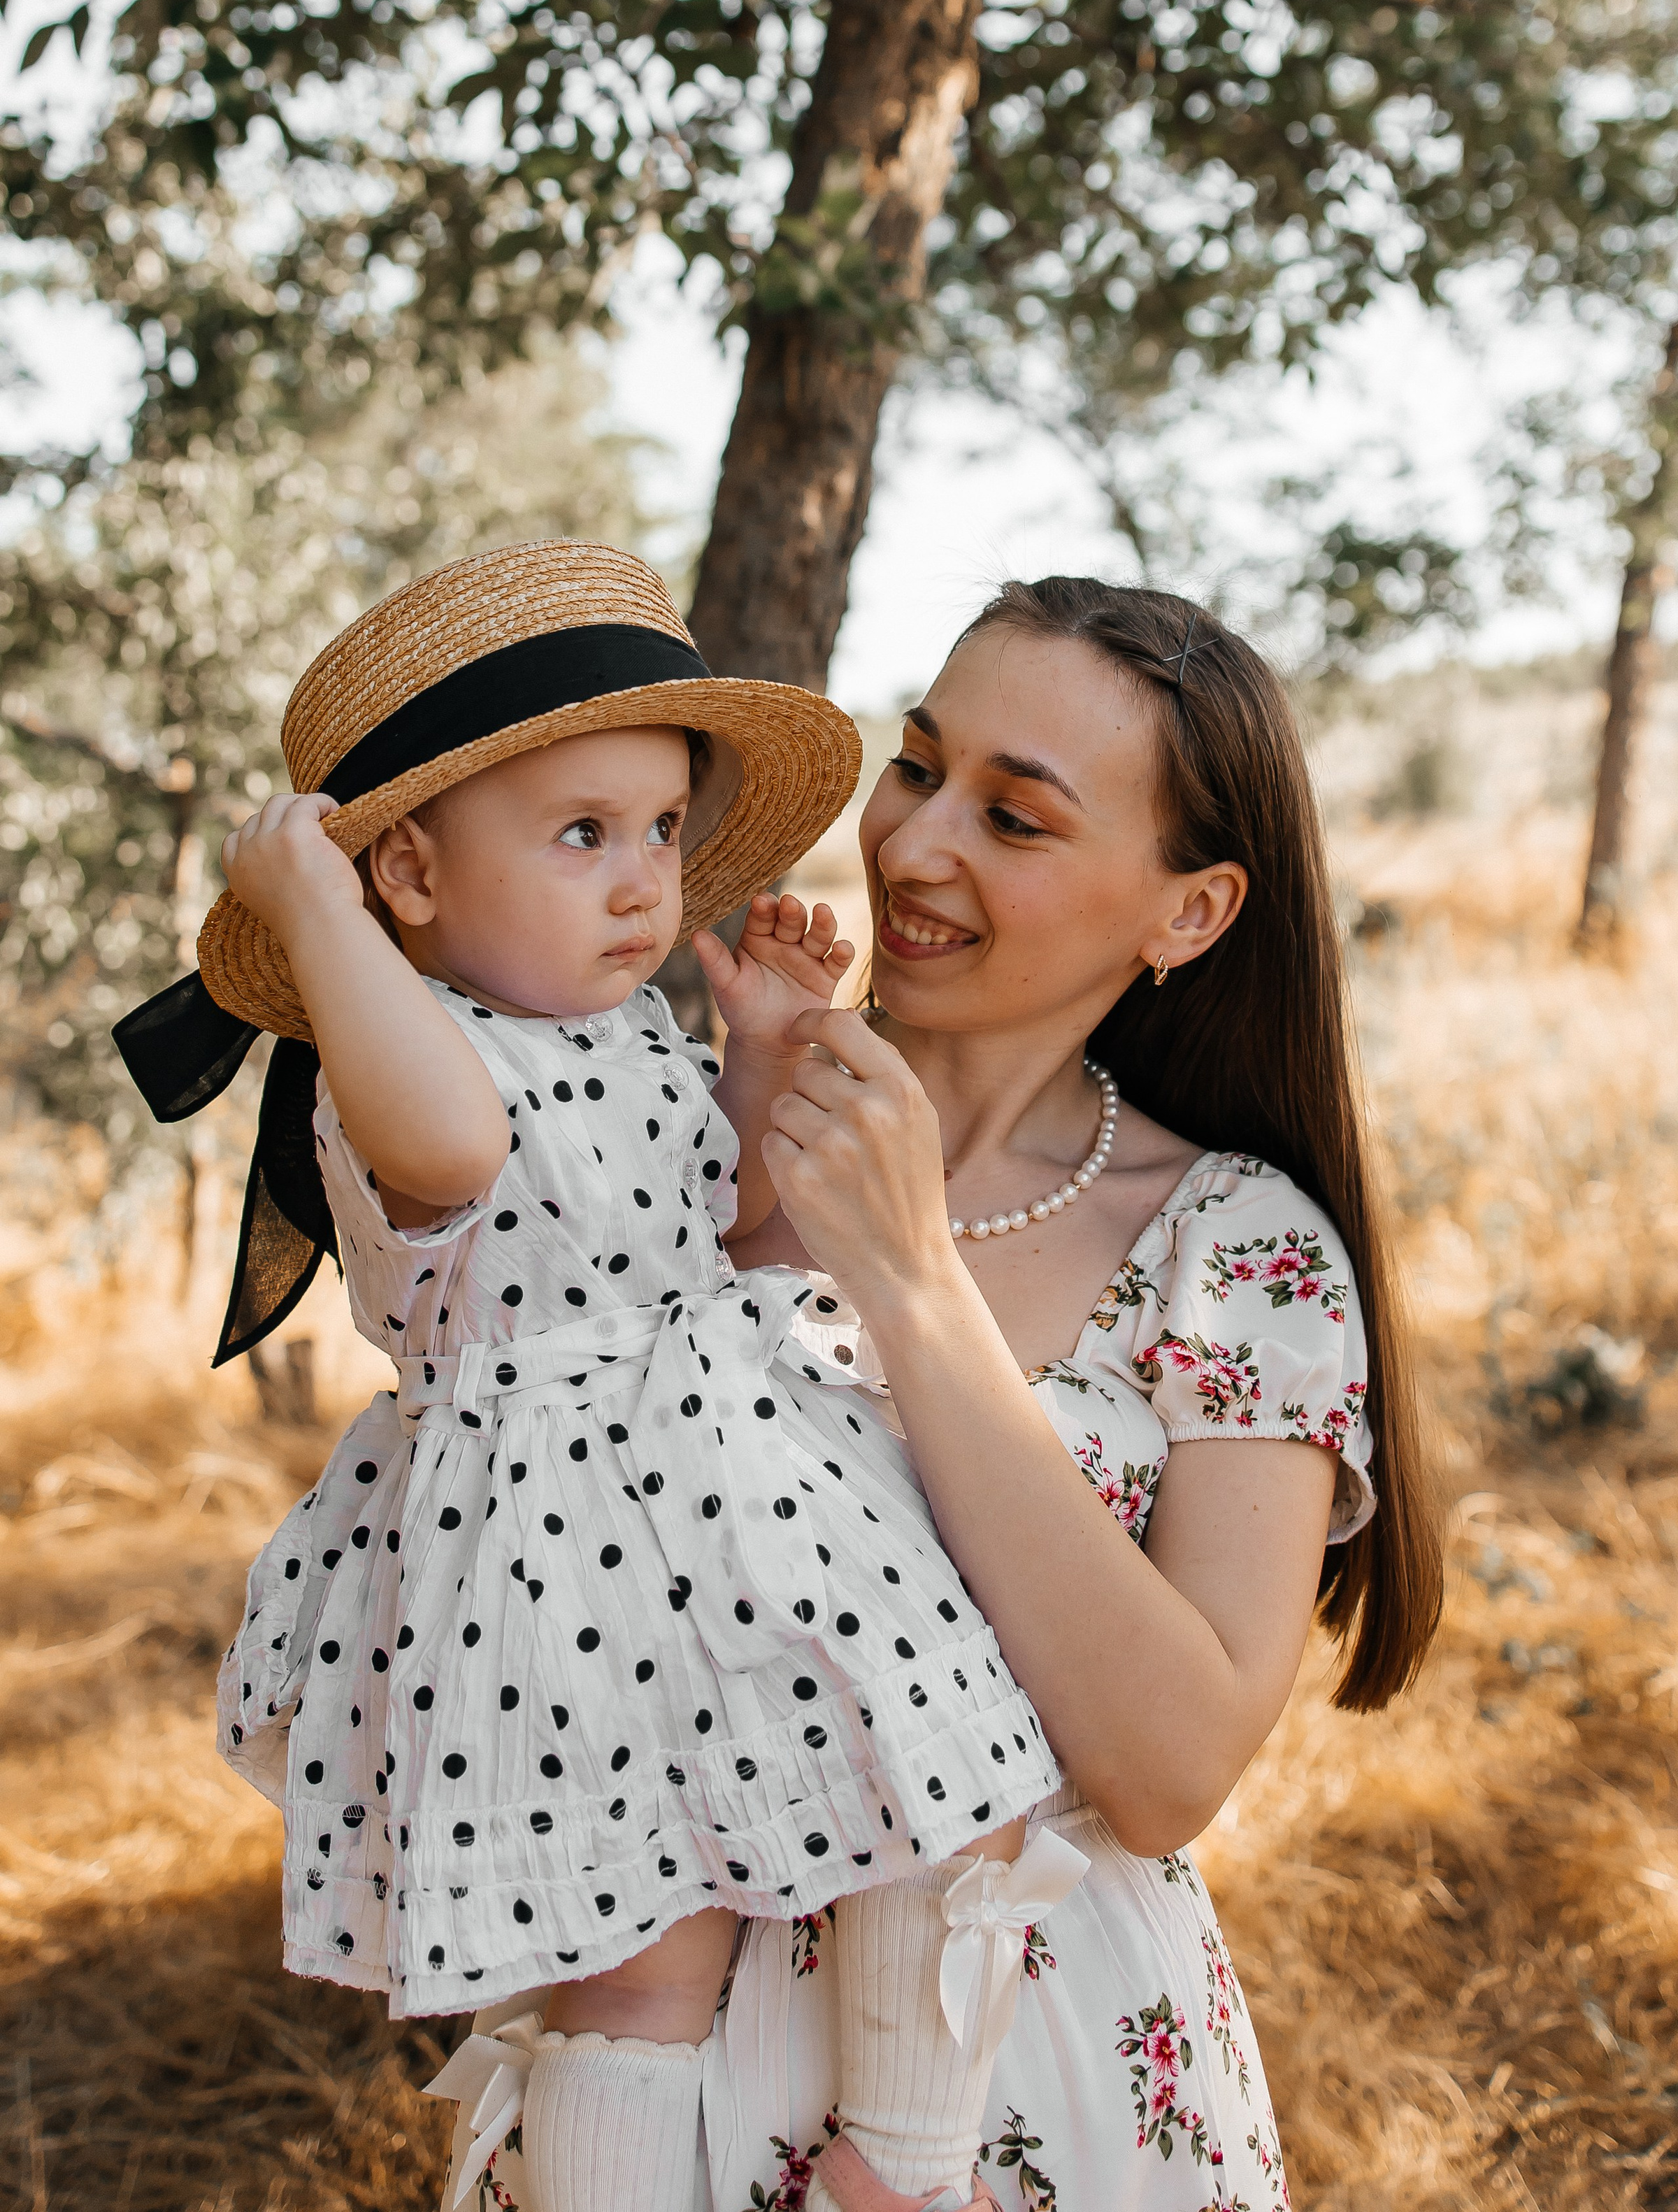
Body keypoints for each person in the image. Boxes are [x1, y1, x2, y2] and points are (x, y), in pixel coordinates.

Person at [438, 573, 1444, 2210]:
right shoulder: (673, 1137)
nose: (909, 847)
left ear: (1185, 912)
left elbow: (1168, 1765)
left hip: (1025, 2080)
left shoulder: (1236, 1249)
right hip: (641, 2062)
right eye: (917, 767)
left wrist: (909, 1277)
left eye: (1015, 819)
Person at [115, 545, 1077, 2212]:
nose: (646, 883)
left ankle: (903, 2164)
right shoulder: (401, 1066)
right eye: (582, 837)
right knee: (638, 1973)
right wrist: (318, 920)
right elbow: (453, 1142)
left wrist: (765, 1051)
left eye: (658, 831)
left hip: (740, 1501)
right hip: (564, 1566)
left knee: (951, 1772)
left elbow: (743, 1232)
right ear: (406, 877)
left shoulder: (628, 1031)